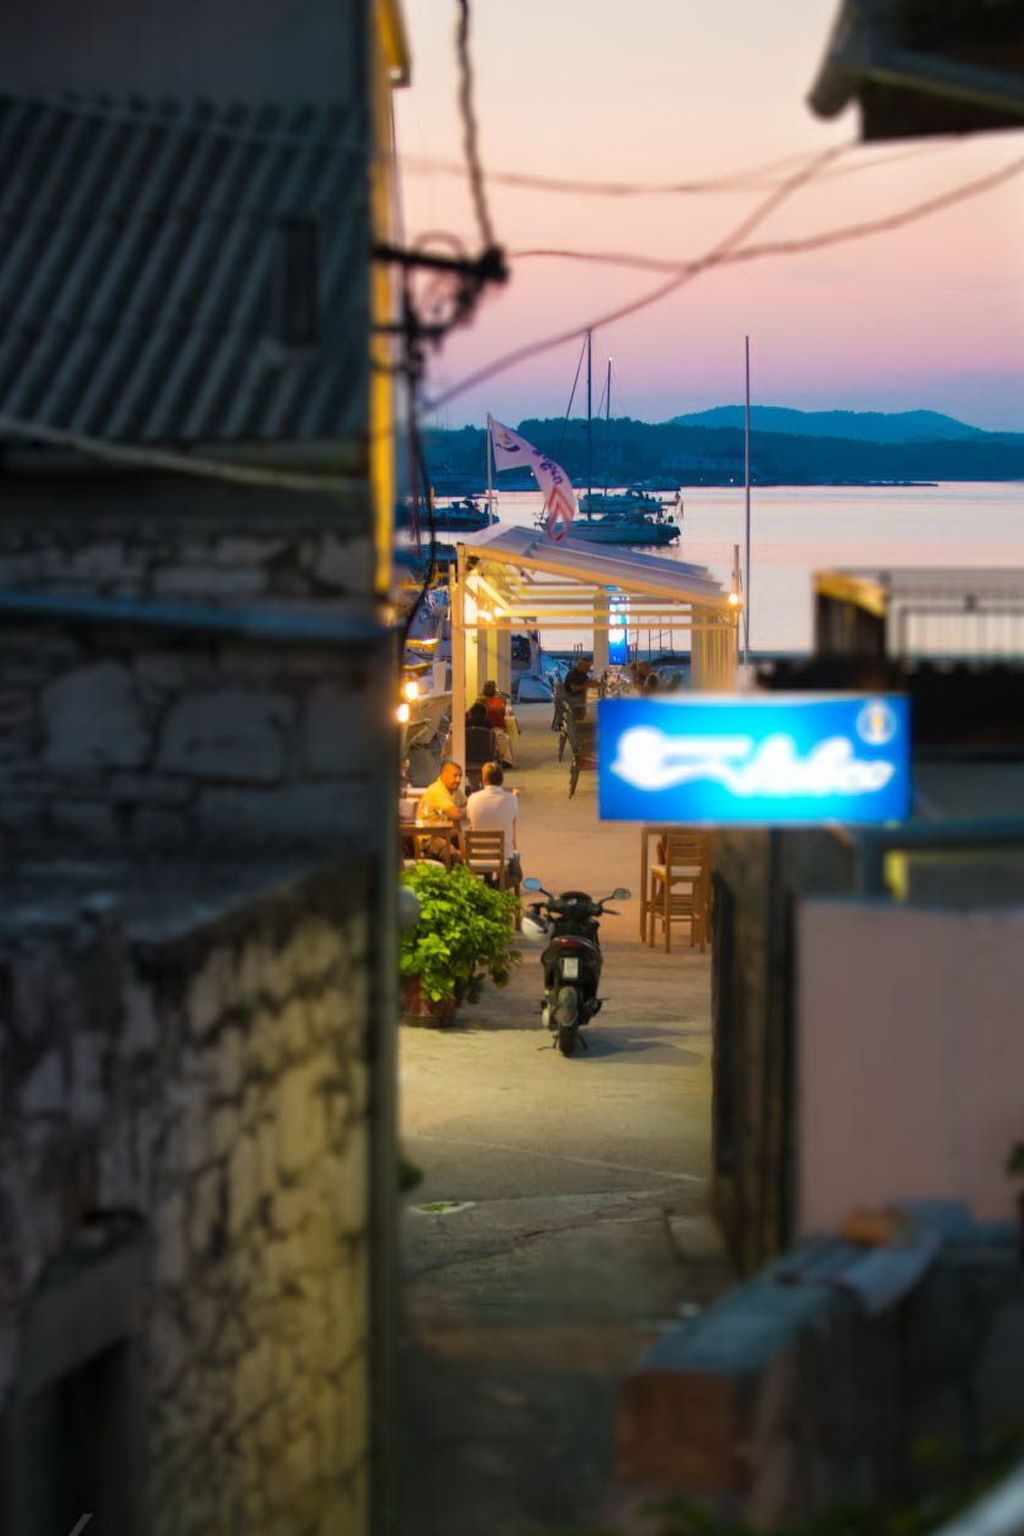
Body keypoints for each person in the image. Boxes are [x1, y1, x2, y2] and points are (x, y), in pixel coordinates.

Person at [466, 762, 522, 889]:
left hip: (476, 853)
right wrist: (515, 797)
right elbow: (512, 825)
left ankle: (488, 885)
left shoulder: (473, 798)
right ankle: (496, 887)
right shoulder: (511, 799)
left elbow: (470, 823)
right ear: (501, 779)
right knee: (516, 869)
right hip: (503, 854)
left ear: (484, 779)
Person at [416, 760, 466, 858]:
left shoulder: (454, 790)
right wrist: (467, 811)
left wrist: (464, 810)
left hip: (446, 835)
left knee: (474, 850)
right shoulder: (437, 791)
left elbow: (466, 804)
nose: (458, 780)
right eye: (455, 775)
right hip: (430, 838)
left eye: (460, 776)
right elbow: (454, 814)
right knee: (451, 853)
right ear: (444, 775)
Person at [480, 680, 515, 767]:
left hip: (481, 730)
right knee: (506, 737)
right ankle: (506, 760)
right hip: (496, 731)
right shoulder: (499, 703)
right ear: (494, 691)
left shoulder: (479, 702)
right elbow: (502, 721)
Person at [464, 701, 497, 789]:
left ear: (470, 713)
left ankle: (473, 787)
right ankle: (484, 784)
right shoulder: (488, 724)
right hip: (485, 758)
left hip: (467, 758)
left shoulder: (464, 724)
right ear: (484, 713)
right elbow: (494, 744)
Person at [563, 655, 594, 721]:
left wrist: (601, 683)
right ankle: (584, 722)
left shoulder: (582, 672)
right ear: (580, 665)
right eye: (586, 667)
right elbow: (574, 689)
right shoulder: (573, 674)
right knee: (593, 703)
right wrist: (586, 686)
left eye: (589, 667)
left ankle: (586, 718)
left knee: (592, 700)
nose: (588, 669)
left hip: (577, 696)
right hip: (571, 697)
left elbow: (588, 681)